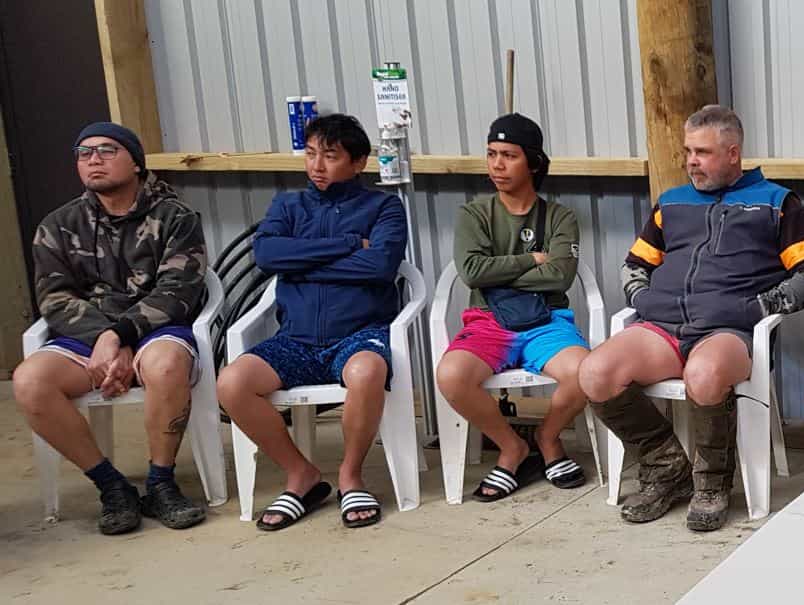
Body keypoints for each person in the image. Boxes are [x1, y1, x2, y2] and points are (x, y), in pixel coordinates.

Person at [578, 105, 804, 531]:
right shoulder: (671, 202)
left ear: (733, 153)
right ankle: (666, 466)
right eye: (688, 151)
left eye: (702, 152)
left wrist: (760, 308)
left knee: (703, 375)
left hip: (729, 331)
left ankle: (711, 483)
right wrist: (644, 299)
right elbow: (634, 265)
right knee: (595, 373)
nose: (691, 162)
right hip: (663, 328)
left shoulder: (777, 203)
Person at [13, 122, 209, 534]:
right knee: (29, 381)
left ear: (136, 162)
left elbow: (179, 291)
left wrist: (119, 335)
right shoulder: (58, 224)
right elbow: (54, 299)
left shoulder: (176, 218)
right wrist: (104, 339)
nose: (93, 160)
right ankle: (112, 487)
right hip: (86, 336)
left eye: (106, 150)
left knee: (166, 366)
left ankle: (161, 483)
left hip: (156, 330)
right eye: (84, 153)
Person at [217, 114, 407, 530]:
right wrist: (346, 244)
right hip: (296, 340)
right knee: (232, 383)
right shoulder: (288, 205)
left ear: (358, 162)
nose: (317, 166)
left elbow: (378, 266)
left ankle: (350, 476)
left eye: (331, 156)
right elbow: (267, 256)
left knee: (367, 371)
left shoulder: (383, 207)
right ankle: (300, 474)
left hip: (359, 335)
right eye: (310, 153)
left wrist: (301, 263)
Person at [435, 113, 590, 502]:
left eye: (509, 155)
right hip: (489, 321)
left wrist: (497, 274)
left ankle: (547, 437)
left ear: (533, 162)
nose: (497, 165)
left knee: (585, 373)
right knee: (452, 375)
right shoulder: (474, 214)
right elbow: (471, 272)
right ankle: (511, 447)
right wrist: (530, 260)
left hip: (546, 321)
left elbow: (560, 277)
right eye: (491, 154)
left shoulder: (559, 216)